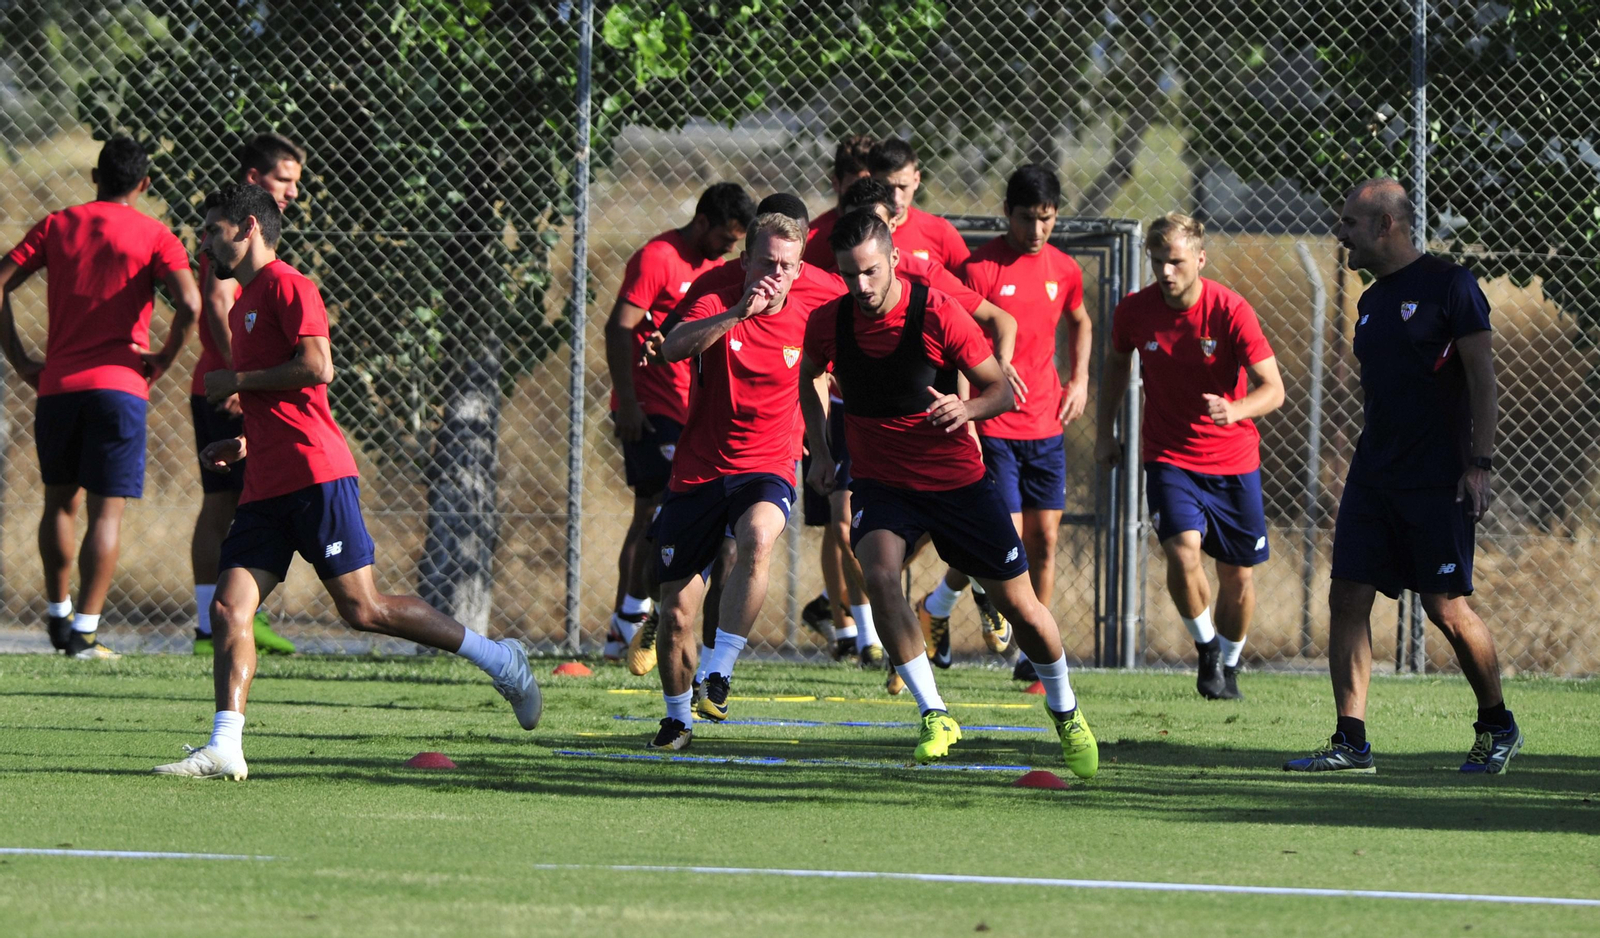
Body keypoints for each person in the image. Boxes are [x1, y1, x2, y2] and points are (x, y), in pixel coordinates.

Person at [153, 185, 539, 780]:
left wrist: (239, 380)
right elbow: (284, 405)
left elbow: (318, 367)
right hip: (265, 485)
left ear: (248, 227)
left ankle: (501, 660)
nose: (203, 243)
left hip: (317, 475)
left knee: (364, 609)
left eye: (213, 230)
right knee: (229, 608)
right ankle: (225, 745)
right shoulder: (240, 305)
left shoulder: (289, 286)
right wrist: (245, 441)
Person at [799, 210, 1097, 776]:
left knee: (1021, 608)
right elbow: (809, 372)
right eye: (848, 274)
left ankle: (1065, 710)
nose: (860, 285)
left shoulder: (936, 310)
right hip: (883, 483)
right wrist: (820, 449)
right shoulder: (830, 320)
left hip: (957, 483)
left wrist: (967, 409)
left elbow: (1001, 391)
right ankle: (934, 713)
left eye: (869, 271)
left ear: (893, 260)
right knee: (879, 574)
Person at [1285, 178, 1521, 774]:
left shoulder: (1451, 286)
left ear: (1384, 225)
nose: (1341, 234)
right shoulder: (1370, 300)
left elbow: (1484, 381)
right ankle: (1351, 742)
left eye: (1350, 223)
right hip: (1374, 476)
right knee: (1348, 597)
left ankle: (1498, 726)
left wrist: (1480, 465)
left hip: (1437, 478)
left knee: (1446, 610)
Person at [0, 136, 200, 659]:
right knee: (105, 513)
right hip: (120, 387)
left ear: (95, 177)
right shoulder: (156, 235)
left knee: (58, 503)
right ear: (144, 184)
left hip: (59, 388)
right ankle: (86, 632)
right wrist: (163, 358)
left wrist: (21, 359)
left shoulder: (57, 225)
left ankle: (58, 612)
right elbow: (190, 303)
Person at [645, 213, 817, 751]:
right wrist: (739, 314)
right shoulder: (717, 300)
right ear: (746, 262)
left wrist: (825, 447)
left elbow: (829, 369)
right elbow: (673, 348)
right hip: (699, 471)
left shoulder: (814, 311)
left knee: (758, 537)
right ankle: (677, 718)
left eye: (786, 265)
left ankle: (719, 669)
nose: (776, 273)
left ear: (800, 269)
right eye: (766, 262)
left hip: (767, 464)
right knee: (676, 616)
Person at [1097, 213, 1284, 700]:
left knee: (1237, 578)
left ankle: (1229, 663)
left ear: (1200, 259)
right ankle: (1206, 649)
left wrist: (1236, 409)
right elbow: (1116, 363)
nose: (1165, 271)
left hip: (1233, 460)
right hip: (1169, 455)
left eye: (1176, 261)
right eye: (1157, 260)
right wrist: (1105, 431)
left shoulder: (1230, 310)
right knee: (1181, 552)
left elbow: (1274, 389)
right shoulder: (1134, 311)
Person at [919, 165, 1092, 671]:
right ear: (1006, 214)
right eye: (1026, 218)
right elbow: (956, 347)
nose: (1036, 230)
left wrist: (1080, 379)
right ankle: (945, 606)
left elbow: (1080, 320)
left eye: (1046, 218)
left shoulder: (1065, 269)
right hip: (994, 425)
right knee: (1005, 540)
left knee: (1045, 542)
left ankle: (1032, 652)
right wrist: (968, 417)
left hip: (1046, 426)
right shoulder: (980, 270)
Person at [603, 183, 754, 671]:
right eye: (725, 237)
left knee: (681, 518)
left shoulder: (717, 272)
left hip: (693, 411)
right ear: (703, 221)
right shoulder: (659, 258)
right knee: (653, 509)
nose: (728, 249)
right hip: (651, 407)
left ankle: (643, 623)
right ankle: (630, 623)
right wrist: (629, 402)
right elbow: (619, 327)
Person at [190, 133, 306, 657]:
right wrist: (239, 376)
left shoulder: (248, 236)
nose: (294, 191)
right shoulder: (231, 232)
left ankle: (229, 618)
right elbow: (216, 302)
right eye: (285, 179)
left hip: (234, 383)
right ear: (255, 178)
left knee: (237, 502)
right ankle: (215, 623)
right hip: (228, 388)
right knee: (230, 504)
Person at [866, 138, 970, 268]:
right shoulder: (856, 233)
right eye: (887, 187)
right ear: (870, 182)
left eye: (903, 187)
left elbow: (967, 279)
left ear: (916, 180)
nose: (896, 198)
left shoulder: (941, 232)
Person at [799, 134, 875, 274]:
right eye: (855, 187)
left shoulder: (898, 229)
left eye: (872, 185)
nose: (864, 194)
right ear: (836, 183)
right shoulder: (810, 242)